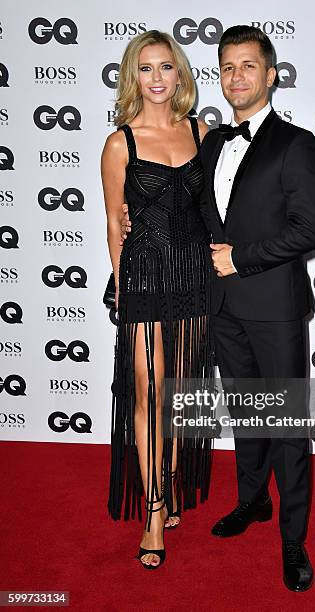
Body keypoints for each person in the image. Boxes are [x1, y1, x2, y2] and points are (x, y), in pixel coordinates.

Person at [121, 25, 315, 590]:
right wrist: (140, 224)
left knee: (286, 422)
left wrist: (244, 259)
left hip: (274, 303)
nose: (237, 77)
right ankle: (252, 501)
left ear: (271, 74)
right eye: (227, 67)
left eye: (248, 66)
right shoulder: (210, 141)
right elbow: (193, 215)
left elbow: (310, 231)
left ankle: (292, 539)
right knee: (246, 413)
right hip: (219, 306)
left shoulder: (296, 143)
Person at [101, 30, 214, 569]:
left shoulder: (202, 131)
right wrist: (121, 285)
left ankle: (166, 481)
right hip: (145, 275)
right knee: (147, 388)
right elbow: (111, 221)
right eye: (145, 68)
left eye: (165, 67)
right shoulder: (120, 142)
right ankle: (152, 508)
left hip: (192, 274)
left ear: (180, 74)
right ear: (133, 76)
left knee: (176, 393)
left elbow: (219, 205)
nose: (156, 78)